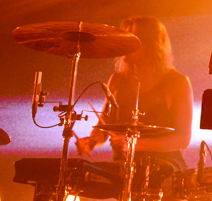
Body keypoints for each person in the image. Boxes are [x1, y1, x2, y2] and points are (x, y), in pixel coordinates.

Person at [76, 16, 193, 171]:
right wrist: (91, 142)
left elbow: (183, 139)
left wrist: (134, 144)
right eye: (124, 38)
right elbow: (103, 127)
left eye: (132, 39)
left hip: (164, 170)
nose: (125, 44)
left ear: (152, 44)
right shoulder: (117, 80)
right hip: (123, 168)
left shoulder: (177, 82)